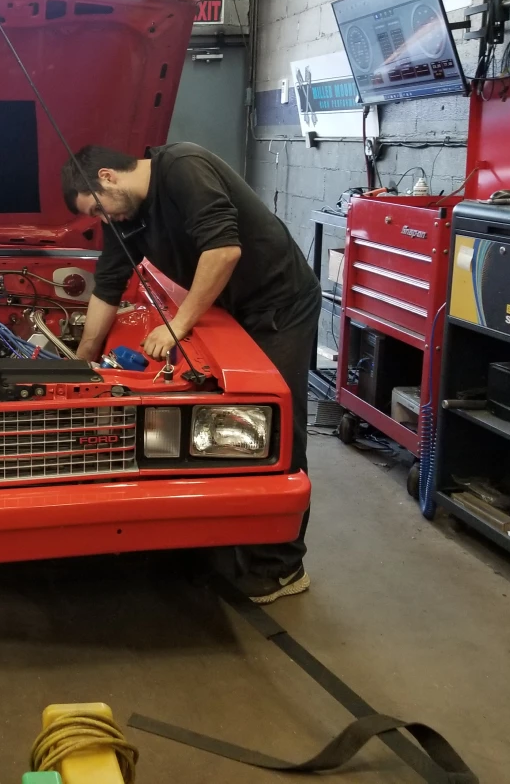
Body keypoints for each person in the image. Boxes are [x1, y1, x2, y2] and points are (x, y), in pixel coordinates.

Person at [61, 142, 319, 603]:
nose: (103, 221)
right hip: (233, 306)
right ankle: (223, 529)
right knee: (230, 429)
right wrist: (82, 358)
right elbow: (109, 281)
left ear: (107, 177)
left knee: (278, 426)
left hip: (280, 305)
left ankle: (281, 567)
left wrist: (177, 326)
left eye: (96, 210)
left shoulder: (182, 166)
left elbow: (223, 250)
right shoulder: (129, 215)